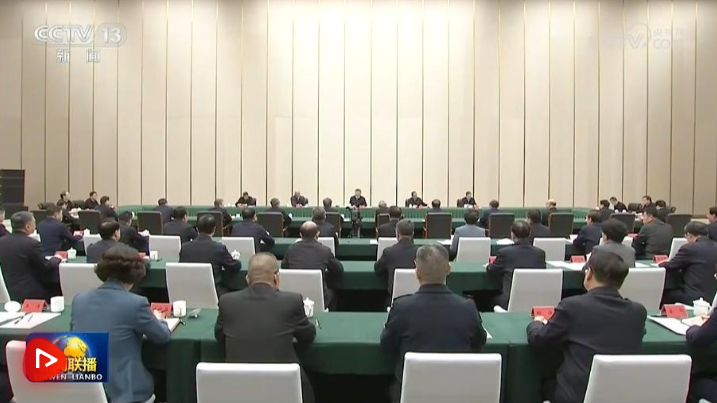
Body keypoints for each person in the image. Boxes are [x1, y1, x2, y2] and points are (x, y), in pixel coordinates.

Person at [527, 251, 646, 403]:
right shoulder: (638, 311)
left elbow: (539, 340)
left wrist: (536, 323)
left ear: (589, 273)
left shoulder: (572, 306)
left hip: (576, 396)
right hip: (620, 394)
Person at [381, 245, 487, 403]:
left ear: (417, 273)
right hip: (457, 393)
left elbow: (387, 344)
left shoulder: (401, 307)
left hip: (412, 393)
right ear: (449, 269)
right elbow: (480, 340)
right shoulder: (468, 307)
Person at [71, 244, 171, 403]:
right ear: (136, 273)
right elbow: (162, 336)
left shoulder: (79, 300)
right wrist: (160, 320)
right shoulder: (136, 303)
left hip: (83, 388)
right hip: (124, 391)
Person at [215, 253, 316, 403]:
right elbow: (308, 336)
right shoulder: (292, 301)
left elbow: (219, 336)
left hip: (238, 388)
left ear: (247, 279)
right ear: (276, 277)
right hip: (285, 387)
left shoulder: (227, 301)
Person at [0, 212, 62, 301]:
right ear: (28, 227)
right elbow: (45, 266)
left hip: (8, 290)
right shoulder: (32, 244)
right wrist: (56, 259)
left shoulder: (2, 241)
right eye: (34, 223)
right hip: (30, 292)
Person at [281, 222, 344, 310]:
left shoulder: (291, 249)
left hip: (294, 298)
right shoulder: (325, 250)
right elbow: (339, 270)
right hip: (320, 298)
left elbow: (284, 267)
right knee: (332, 294)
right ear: (318, 234)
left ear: (300, 235)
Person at [487, 221, 546, 310]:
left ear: (512, 235)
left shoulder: (505, 253)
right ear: (529, 234)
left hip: (508, 302)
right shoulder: (540, 254)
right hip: (535, 302)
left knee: (485, 298)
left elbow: (491, 270)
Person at [180, 215, 242, 296]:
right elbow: (234, 266)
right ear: (214, 229)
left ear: (197, 229)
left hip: (188, 291)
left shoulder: (184, 247)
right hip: (213, 292)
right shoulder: (219, 248)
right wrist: (236, 259)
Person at [660, 222, 717, 305]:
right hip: (713, 296)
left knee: (665, 293)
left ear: (690, 235)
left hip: (693, 296)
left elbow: (671, 265)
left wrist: (659, 265)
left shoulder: (690, 248)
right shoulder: (715, 246)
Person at [375, 219, 419, 297]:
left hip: (394, 299)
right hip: (416, 297)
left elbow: (377, 268)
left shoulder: (389, 252)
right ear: (413, 234)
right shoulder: (420, 253)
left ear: (397, 233)